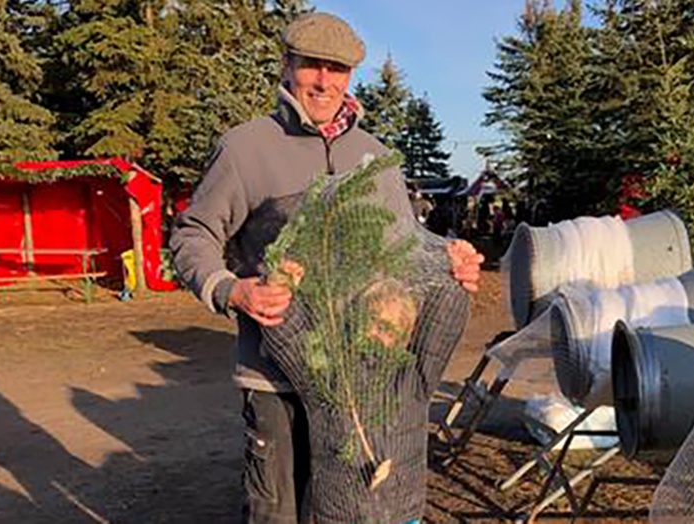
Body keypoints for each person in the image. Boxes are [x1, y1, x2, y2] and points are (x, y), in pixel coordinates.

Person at [169, 12, 483, 524]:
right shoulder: (247, 147)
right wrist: (232, 290)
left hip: (361, 388)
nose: (323, 80)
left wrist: (451, 258)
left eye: (336, 69)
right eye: (312, 65)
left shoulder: (375, 156)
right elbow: (191, 235)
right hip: (277, 382)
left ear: (350, 76)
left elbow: (406, 246)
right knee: (278, 513)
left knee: (350, 511)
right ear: (287, 66)